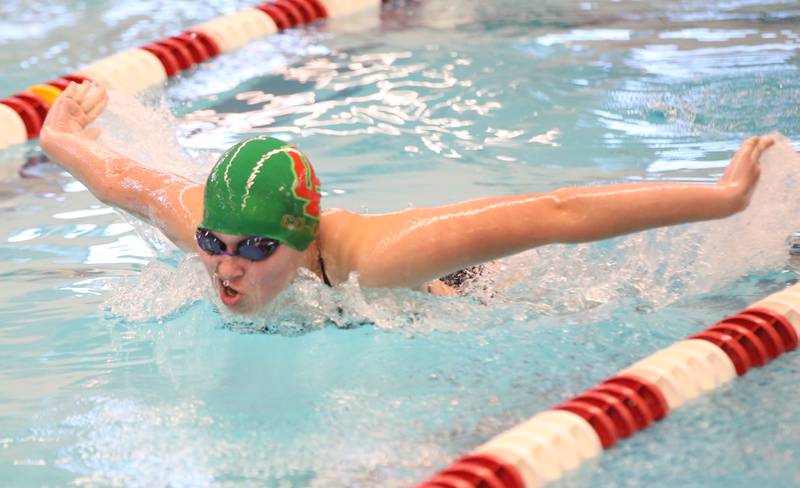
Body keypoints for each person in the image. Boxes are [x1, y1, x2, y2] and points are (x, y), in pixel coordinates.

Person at [40, 81, 775, 314]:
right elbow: (113, 178)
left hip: (450, 291)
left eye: (257, 249)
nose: (226, 269)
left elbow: (558, 214)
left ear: (302, 237)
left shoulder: (380, 258)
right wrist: (60, 130)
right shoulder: (200, 218)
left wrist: (725, 200)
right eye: (216, 246)